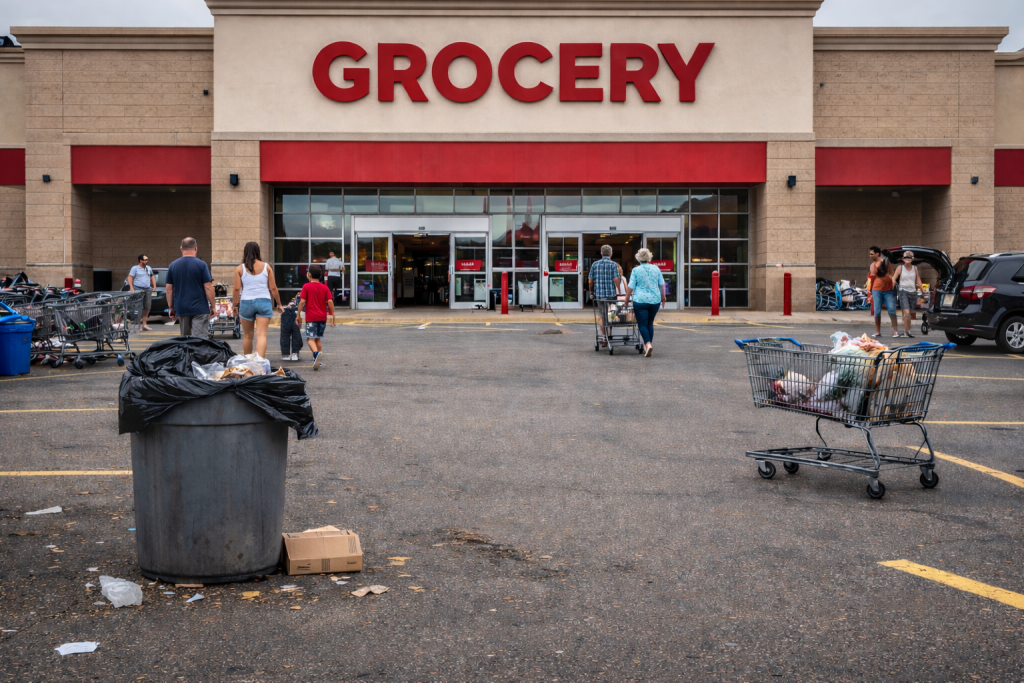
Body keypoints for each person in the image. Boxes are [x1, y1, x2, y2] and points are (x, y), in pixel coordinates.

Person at [233, 241, 283, 358]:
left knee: (247, 336)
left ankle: (248, 364)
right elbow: (273, 288)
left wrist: (234, 305)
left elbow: (236, 289)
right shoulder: (266, 267)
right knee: (261, 335)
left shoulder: (240, 268)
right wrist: (279, 304)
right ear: (258, 251)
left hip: (246, 302)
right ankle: (260, 363)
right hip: (263, 301)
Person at [166, 237, 214, 337]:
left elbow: (169, 290)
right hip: (200, 308)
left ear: (181, 249)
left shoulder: (173, 266)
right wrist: (213, 306)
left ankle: (187, 352)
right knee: (200, 339)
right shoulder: (202, 265)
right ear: (196, 248)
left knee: (185, 339)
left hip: (182, 308)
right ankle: (199, 353)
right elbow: (208, 287)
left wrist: (171, 307)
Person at [624, 248, 666, 357]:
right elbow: (662, 285)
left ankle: (647, 344)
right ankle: (648, 346)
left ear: (638, 258)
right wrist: (663, 297)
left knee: (642, 324)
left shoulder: (636, 270)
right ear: (649, 257)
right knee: (649, 323)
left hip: (640, 300)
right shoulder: (656, 269)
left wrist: (627, 298)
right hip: (655, 300)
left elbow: (631, 286)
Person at [296, 264, 335, 370]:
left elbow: (302, 301)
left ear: (309, 275)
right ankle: (317, 360)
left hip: (311, 317)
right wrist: (333, 315)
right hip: (322, 317)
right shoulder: (325, 287)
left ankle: (316, 354)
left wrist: (298, 315)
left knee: (310, 339)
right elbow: (330, 301)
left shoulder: (306, 286)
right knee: (317, 338)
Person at [588, 245, 621, 347]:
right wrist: (619, 291)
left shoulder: (595, 264)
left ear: (601, 253)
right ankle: (609, 335)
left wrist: (591, 291)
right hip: (611, 295)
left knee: (602, 316)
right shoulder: (613, 264)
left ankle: (604, 336)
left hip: (600, 295)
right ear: (611, 254)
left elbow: (590, 280)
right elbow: (616, 279)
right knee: (611, 315)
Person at [868, 246, 899, 339]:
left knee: (891, 310)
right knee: (877, 311)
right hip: (876, 289)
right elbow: (872, 278)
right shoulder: (872, 265)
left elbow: (892, 273)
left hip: (889, 289)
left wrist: (892, 279)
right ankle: (877, 332)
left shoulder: (886, 262)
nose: (870, 256)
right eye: (870, 254)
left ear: (878, 254)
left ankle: (895, 331)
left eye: (872, 254)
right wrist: (870, 291)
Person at [892, 250, 924, 338]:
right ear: (903, 259)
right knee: (906, 312)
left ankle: (907, 330)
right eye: (906, 257)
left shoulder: (915, 268)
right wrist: (893, 282)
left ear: (912, 259)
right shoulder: (900, 268)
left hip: (913, 292)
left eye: (909, 257)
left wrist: (921, 288)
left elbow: (917, 278)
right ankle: (908, 331)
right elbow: (894, 278)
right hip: (903, 291)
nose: (907, 259)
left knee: (909, 314)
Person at [127, 253, 154, 331]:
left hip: (147, 289)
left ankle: (144, 325)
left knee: (147, 307)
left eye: (147, 260)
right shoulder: (135, 268)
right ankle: (136, 324)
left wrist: (154, 286)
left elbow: (152, 276)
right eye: (145, 260)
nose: (147, 261)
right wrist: (131, 287)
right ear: (140, 260)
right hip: (138, 288)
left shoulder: (148, 268)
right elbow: (130, 277)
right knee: (137, 306)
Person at [279, 295, 303, 361]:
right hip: (295, 313)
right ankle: (295, 353)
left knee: (285, 335)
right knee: (296, 335)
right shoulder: (301, 295)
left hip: (285, 313)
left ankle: (285, 354)